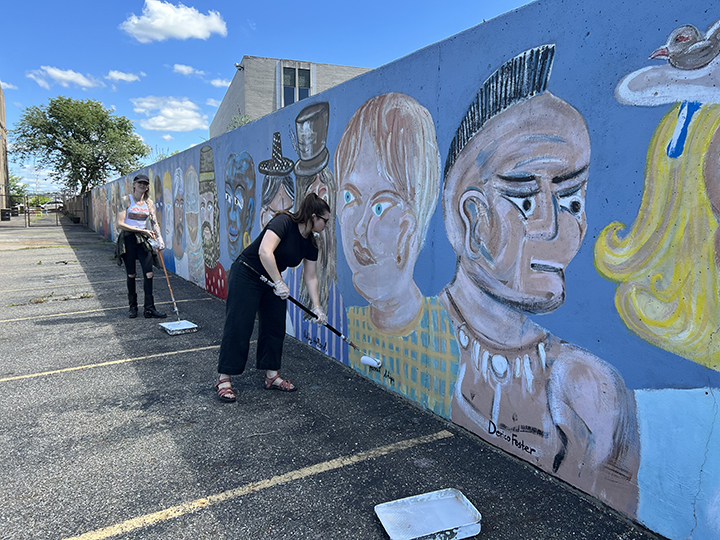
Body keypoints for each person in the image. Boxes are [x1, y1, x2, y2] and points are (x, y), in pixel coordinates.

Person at [440, 44, 640, 516]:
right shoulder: (416, 334)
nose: (556, 228)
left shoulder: (596, 393)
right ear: (471, 216)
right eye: (526, 201)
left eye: (571, 200)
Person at [215, 193, 330, 402]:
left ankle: (271, 376)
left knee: (275, 326)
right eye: (325, 220)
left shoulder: (311, 243)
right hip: (247, 274)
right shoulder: (283, 221)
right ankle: (224, 378)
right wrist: (279, 282)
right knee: (239, 325)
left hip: (271, 281)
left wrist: (316, 306)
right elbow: (265, 252)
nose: (326, 225)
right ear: (314, 216)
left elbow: (311, 277)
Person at [115, 174, 167, 319]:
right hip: (128, 239)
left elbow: (154, 222)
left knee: (149, 273)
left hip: (144, 241)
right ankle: (133, 307)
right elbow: (119, 224)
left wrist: (159, 237)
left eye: (145, 184)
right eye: (140, 183)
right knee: (131, 274)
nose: (142, 186)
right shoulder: (125, 200)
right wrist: (142, 230)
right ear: (134, 184)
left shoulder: (149, 203)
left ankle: (149, 308)